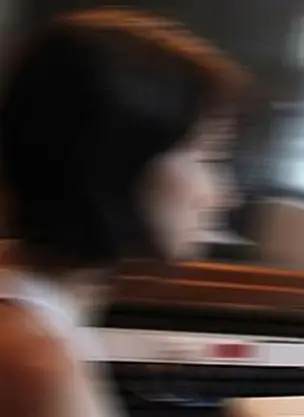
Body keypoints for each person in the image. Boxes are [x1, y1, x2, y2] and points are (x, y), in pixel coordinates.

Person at [0, 7, 246, 417]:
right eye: (209, 157)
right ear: (119, 163)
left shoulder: (32, 301)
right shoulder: (39, 366)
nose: (226, 196)